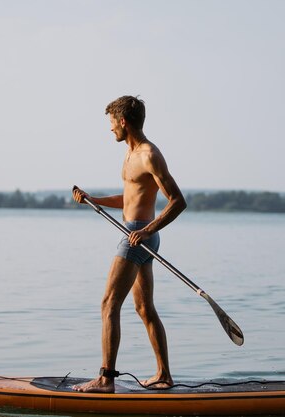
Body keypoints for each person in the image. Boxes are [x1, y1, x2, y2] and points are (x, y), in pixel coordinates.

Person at [72, 95, 187, 393]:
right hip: (137, 233)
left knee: (109, 303)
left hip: (138, 236)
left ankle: (105, 379)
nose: (110, 129)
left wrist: (148, 230)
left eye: (112, 123)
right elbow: (129, 198)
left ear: (123, 121)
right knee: (144, 308)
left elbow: (178, 201)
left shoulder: (149, 154)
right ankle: (164, 375)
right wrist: (93, 199)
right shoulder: (129, 154)